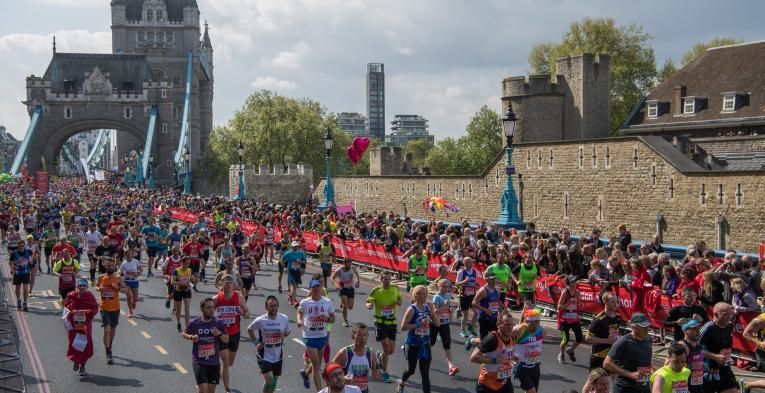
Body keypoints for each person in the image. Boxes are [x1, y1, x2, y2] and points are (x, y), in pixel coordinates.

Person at [397, 285, 439, 393]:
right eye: (419, 294)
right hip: (413, 345)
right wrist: (419, 323)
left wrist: (433, 313)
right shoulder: (412, 309)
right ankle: (402, 382)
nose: (422, 296)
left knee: (425, 374)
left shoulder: (428, 308)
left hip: (425, 345)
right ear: (414, 295)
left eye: (425, 294)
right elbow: (403, 327)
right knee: (411, 370)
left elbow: (438, 324)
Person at [182, 298, 229, 393]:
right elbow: (184, 333)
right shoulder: (195, 323)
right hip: (199, 361)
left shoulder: (218, 323)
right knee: (203, 389)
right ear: (202, 309)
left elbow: (226, 339)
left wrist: (219, 334)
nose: (211, 310)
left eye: (213, 307)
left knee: (210, 391)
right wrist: (191, 337)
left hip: (214, 362)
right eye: (208, 308)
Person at [213, 274, 250, 393]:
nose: (228, 283)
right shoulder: (216, 299)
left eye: (230, 281)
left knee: (230, 362)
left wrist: (243, 313)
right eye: (226, 281)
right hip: (221, 334)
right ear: (222, 284)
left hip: (234, 333)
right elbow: (208, 315)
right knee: (225, 362)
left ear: (233, 284)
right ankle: (227, 389)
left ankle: (218, 367)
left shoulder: (239, 297)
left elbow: (247, 313)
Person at [297, 277, 336, 391]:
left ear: (321, 288)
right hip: (309, 336)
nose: (316, 289)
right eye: (314, 287)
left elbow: (333, 318)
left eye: (318, 287)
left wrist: (328, 318)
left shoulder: (327, 302)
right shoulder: (305, 302)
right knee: (316, 366)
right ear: (311, 289)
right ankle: (319, 390)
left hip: (322, 336)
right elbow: (299, 312)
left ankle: (305, 373)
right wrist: (299, 320)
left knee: (318, 363)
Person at [247, 296, 291, 393]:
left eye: (275, 305)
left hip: (278, 354)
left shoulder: (284, 318)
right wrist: (256, 342)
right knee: (270, 380)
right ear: (266, 307)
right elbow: (249, 329)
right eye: (271, 306)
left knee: (274, 382)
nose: (273, 308)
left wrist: (284, 334)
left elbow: (288, 331)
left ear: (278, 306)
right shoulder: (260, 320)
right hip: (264, 353)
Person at [365, 271, 402, 384]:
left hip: (392, 322)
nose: (387, 281)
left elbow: (400, 300)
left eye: (389, 279)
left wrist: (398, 302)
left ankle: (380, 356)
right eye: (385, 279)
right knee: (386, 348)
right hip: (380, 322)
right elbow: (368, 301)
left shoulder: (395, 289)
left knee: (391, 350)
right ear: (381, 280)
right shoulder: (376, 291)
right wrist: (370, 305)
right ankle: (385, 372)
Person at [604, 312, 653, 393]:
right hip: (625, 388)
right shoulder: (623, 342)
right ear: (634, 327)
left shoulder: (648, 340)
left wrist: (654, 372)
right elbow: (607, 363)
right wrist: (630, 374)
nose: (647, 329)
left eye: (647, 326)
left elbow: (646, 361)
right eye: (643, 327)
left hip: (644, 387)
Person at [469, 311, 518, 393]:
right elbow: (473, 357)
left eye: (511, 324)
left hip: (504, 382)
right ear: (498, 325)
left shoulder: (512, 338)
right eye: (506, 324)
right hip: (487, 386)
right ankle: (471, 340)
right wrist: (494, 361)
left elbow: (506, 353)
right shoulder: (492, 339)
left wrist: (514, 357)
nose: (510, 327)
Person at [698, 302, 737, 393]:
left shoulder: (730, 325)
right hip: (708, 369)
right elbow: (694, 348)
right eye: (725, 314)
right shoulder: (708, 328)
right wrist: (714, 356)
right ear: (715, 314)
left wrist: (728, 357)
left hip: (724, 367)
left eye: (730, 314)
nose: (729, 317)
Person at [63, 278, 99, 377]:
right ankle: (76, 361)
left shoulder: (89, 296)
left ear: (87, 287)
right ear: (76, 287)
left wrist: (88, 312)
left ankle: (82, 367)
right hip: (73, 326)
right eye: (80, 286)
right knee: (74, 344)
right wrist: (69, 315)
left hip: (85, 326)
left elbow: (95, 309)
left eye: (84, 286)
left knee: (85, 345)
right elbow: (66, 309)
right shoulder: (71, 296)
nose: (82, 288)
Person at [331, 323, 380, 393]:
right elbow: (329, 372)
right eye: (359, 335)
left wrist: (377, 374)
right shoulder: (344, 353)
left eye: (365, 335)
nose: (363, 338)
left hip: (363, 391)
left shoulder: (371, 353)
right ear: (353, 337)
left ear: (368, 336)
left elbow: (375, 374)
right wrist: (342, 379)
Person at [96, 259, 126, 365]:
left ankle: (110, 344)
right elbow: (96, 286)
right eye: (108, 266)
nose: (110, 267)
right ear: (105, 267)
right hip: (104, 307)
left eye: (111, 266)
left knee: (113, 329)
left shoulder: (118, 277)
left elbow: (126, 290)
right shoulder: (101, 277)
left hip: (115, 308)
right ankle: (108, 352)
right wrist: (99, 288)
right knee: (106, 330)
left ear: (114, 266)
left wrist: (117, 287)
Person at [586, 291, 622, 370]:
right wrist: (608, 341)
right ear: (605, 302)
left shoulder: (617, 317)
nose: (616, 304)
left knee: (616, 380)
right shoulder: (599, 319)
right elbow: (588, 338)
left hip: (611, 355)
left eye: (616, 301)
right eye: (613, 302)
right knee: (593, 381)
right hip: (599, 356)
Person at [430, 278, 459, 375]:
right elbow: (435, 311)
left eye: (447, 287)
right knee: (431, 343)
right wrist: (444, 305)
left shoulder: (447, 295)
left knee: (447, 345)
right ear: (439, 286)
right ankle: (412, 350)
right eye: (443, 286)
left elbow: (448, 308)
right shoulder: (436, 297)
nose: (445, 288)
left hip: (445, 323)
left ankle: (451, 366)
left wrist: (450, 309)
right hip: (435, 323)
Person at [513, 308, 544, 393]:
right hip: (522, 366)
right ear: (527, 322)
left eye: (537, 322)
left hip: (535, 365)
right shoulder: (521, 331)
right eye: (531, 322)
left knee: (532, 391)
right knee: (532, 391)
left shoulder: (542, 330)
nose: (535, 325)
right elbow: (512, 333)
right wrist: (521, 325)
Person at [557, 275, 582, 364]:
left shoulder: (578, 292)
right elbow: (559, 307)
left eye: (575, 281)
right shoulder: (565, 292)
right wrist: (568, 303)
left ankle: (570, 350)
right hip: (564, 320)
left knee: (579, 338)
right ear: (568, 283)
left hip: (574, 318)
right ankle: (561, 354)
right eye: (572, 281)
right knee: (565, 339)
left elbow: (579, 304)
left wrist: (580, 305)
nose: (574, 283)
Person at [677, 320, 704, 393]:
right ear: (686, 330)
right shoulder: (682, 346)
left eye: (699, 328)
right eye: (695, 329)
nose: (698, 331)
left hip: (698, 385)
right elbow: (668, 366)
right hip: (685, 386)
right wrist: (689, 366)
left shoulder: (698, 346)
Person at [331, 258, 360, 327]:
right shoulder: (339, 270)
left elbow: (357, 274)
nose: (349, 266)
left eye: (350, 264)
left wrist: (358, 281)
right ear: (344, 264)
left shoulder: (353, 268)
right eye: (348, 264)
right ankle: (345, 321)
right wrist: (336, 284)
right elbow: (332, 277)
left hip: (351, 288)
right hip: (342, 289)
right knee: (345, 306)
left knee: (350, 307)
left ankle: (342, 303)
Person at [456, 257, 479, 338]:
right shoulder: (461, 272)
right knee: (465, 315)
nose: (471, 263)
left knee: (476, 313)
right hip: (464, 295)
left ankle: (471, 326)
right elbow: (457, 284)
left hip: (472, 295)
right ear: (465, 263)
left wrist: (476, 285)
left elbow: (475, 282)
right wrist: (465, 281)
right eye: (469, 262)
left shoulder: (475, 271)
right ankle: (462, 330)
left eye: (472, 261)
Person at [172, 256, 194, 332]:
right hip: (178, 291)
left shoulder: (189, 270)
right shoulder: (176, 271)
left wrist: (192, 280)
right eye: (186, 263)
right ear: (182, 263)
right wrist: (182, 283)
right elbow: (172, 282)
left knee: (187, 309)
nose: (188, 265)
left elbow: (190, 279)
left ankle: (187, 327)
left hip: (187, 291)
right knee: (178, 310)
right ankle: (178, 323)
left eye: (189, 263)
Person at [284, 241, 307, 307]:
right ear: (292, 247)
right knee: (294, 286)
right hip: (290, 271)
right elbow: (282, 260)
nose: (296, 248)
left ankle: (290, 296)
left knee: (295, 286)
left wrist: (301, 261)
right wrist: (284, 267)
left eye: (297, 246)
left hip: (297, 271)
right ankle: (295, 301)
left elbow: (305, 261)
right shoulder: (288, 253)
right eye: (294, 247)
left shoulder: (301, 253)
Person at [11, 239, 32, 311]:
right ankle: (19, 300)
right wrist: (17, 261)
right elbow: (10, 262)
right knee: (17, 288)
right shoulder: (14, 253)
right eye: (20, 246)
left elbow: (32, 257)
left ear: (24, 246)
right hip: (17, 273)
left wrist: (31, 260)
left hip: (26, 272)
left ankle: (25, 302)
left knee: (25, 289)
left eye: (23, 246)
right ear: (17, 246)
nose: (21, 247)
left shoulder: (28, 251)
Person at [119, 249, 141, 318]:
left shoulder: (136, 261)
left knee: (135, 298)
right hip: (127, 282)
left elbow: (140, 269)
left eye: (131, 254)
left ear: (132, 254)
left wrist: (138, 273)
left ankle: (134, 302)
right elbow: (121, 271)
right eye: (128, 254)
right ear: (125, 255)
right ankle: (130, 311)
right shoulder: (124, 263)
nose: (129, 255)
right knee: (129, 297)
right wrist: (121, 273)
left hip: (134, 281)